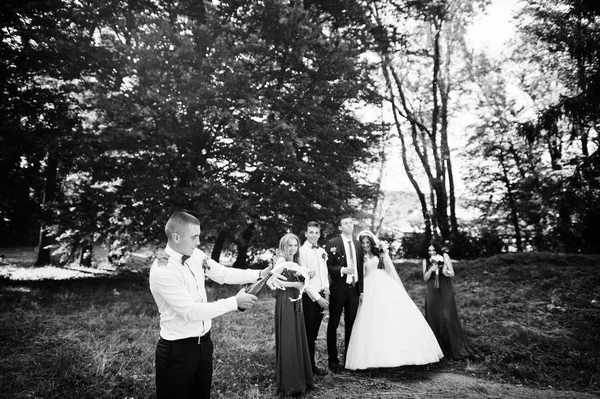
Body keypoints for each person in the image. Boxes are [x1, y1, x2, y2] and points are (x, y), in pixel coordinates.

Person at [149, 211, 283, 399]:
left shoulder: (196, 255)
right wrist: (234, 302)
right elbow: (190, 312)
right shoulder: (163, 270)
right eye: (194, 237)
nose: (198, 242)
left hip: (204, 345)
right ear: (176, 237)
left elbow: (223, 274)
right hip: (177, 352)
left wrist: (259, 274)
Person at [345, 231, 443, 370]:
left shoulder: (379, 253)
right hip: (369, 286)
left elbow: (389, 269)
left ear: (372, 243)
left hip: (384, 283)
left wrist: (384, 255)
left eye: (368, 242)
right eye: (363, 243)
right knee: (372, 318)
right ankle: (375, 357)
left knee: (394, 314)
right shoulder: (360, 257)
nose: (366, 245)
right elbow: (360, 274)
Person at [271, 233, 315, 395]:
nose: (293, 248)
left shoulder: (296, 261)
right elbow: (274, 280)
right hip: (285, 300)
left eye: (295, 245)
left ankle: (302, 378)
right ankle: (290, 382)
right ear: (284, 246)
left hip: (295, 299)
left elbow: (300, 279)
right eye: (289, 245)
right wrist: (294, 284)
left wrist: (307, 277)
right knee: (289, 337)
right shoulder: (282, 260)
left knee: (297, 336)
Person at [423, 242, 475, 360]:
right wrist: (431, 269)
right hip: (432, 290)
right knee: (433, 316)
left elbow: (452, 274)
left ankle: (454, 346)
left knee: (448, 315)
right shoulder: (426, 260)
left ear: (437, 250)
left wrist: (445, 271)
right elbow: (425, 278)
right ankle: (436, 348)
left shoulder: (445, 257)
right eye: (429, 250)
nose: (431, 252)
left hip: (445, 287)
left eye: (433, 250)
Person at [325, 215, 363, 372]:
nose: (349, 225)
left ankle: (350, 358)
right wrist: (341, 270)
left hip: (354, 290)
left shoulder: (358, 244)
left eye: (351, 223)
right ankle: (333, 360)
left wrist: (361, 290)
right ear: (340, 227)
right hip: (338, 290)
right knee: (333, 324)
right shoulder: (332, 243)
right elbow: (327, 266)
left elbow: (360, 268)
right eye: (345, 223)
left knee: (352, 324)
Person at [298, 221, 330, 376]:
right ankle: (308, 368)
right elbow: (304, 280)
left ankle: (311, 365)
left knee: (315, 333)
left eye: (316, 233)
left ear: (319, 234)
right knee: (308, 334)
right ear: (305, 234)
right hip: (310, 298)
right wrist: (318, 298)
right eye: (311, 232)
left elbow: (323, 273)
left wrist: (326, 289)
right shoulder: (301, 252)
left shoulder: (321, 251)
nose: (314, 235)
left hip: (322, 295)